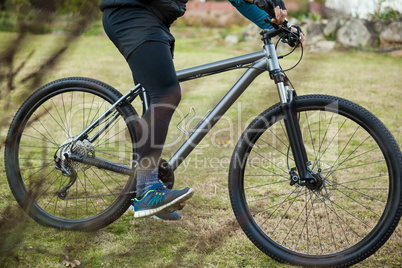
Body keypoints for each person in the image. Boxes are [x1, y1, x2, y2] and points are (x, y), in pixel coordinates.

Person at [99, 0, 302, 221]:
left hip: (152, 19)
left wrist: (280, 26)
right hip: (131, 15)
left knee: (154, 94)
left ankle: (151, 188)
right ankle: (147, 190)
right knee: (166, 94)